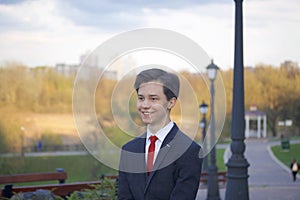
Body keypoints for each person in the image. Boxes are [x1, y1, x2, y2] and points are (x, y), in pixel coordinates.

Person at [118, 68, 203, 200]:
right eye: (141, 98)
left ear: (171, 102)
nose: (145, 105)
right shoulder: (128, 150)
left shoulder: (189, 151)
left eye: (153, 99)